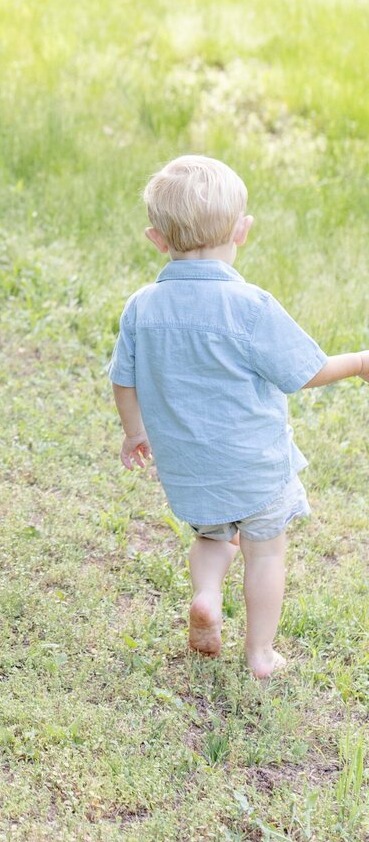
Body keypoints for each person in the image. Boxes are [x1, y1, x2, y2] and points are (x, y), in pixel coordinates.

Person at [109, 154, 368, 677]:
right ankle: (260, 653)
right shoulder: (250, 306)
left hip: (189, 470)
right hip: (256, 468)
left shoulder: (142, 306)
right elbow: (305, 371)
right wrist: (358, 362)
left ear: (156, 239)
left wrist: (135, 431)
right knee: (265, 552)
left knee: (212, 537)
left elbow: (122, 377)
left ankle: (206, 595)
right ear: (242, 231)